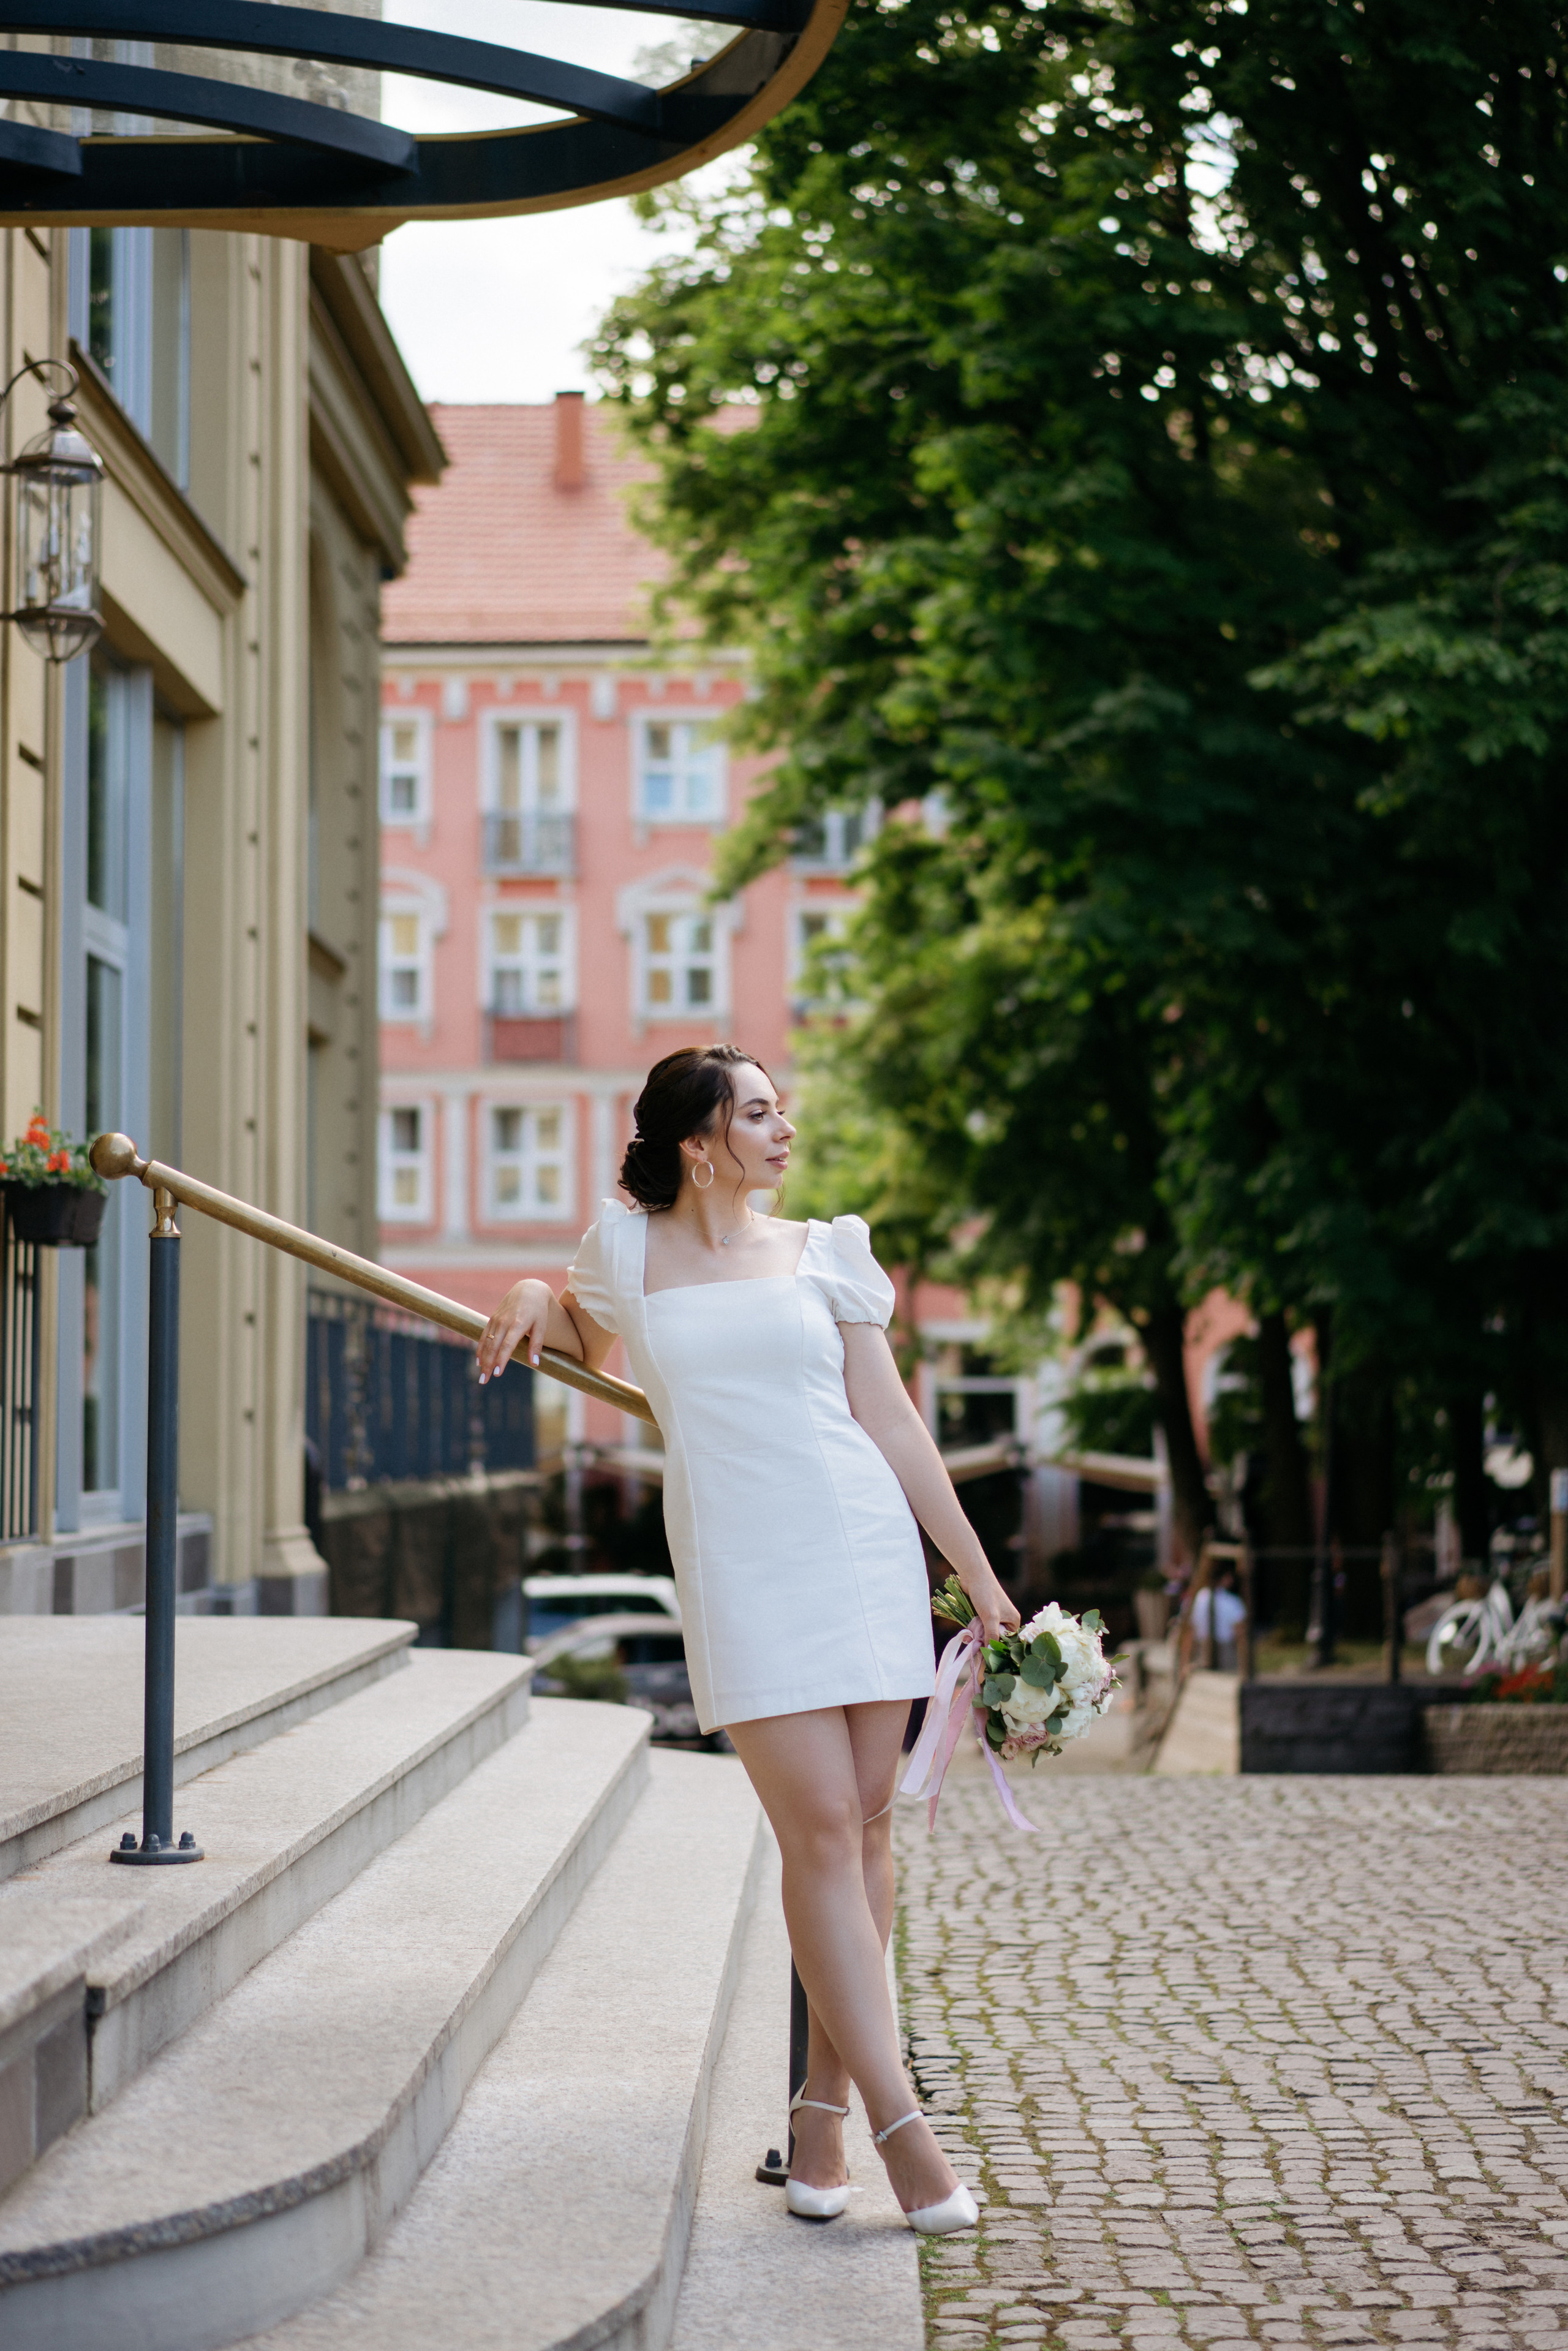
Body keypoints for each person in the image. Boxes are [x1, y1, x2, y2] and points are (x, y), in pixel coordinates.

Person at [478, 1043, 1019, 2236]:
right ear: (696, 1142)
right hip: (739, 1569)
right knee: (818, 1826)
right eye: (759, 1112)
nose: (785, 1128)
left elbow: (887, 1417)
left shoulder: (825, 1247)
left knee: (863, 1826)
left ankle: (820, 2109)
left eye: (782, 1109)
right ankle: (903, 2132)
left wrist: (977, 1582)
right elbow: (581, 1338)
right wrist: (531, 1293)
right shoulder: (620, 1249)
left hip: (861, 1549)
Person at [1188, 1564, 1246, 1670]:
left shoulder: (1201, 1596)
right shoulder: (1232, 1601)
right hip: (1225, 1647)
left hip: (1203, 1645)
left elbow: (1194, 1624)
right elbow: (1239, 1630)